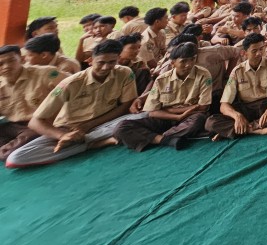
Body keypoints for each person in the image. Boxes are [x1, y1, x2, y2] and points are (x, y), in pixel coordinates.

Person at [6, 40, 138, 168]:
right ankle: (91, 143)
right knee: (16, 158)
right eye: (101, 62)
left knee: (140, 117)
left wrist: (89, 125)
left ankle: (86, 143)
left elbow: (126, 105)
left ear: (118, 59)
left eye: (111, 62)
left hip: (104, 124)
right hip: (70, 129)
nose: (106, 67)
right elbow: (34, 122)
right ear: (90, 60)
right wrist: (63, 136)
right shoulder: (70, 83)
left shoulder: (124, 73)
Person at [113, 42, 212, 151]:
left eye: (192, 59)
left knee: (199, 119)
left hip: (190, 117)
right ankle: (165, 139)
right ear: (173, 63)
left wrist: (169, 109)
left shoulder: (203, 74)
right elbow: (152, 112)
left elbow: (203, 107)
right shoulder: (162, 80)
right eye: (183, 61)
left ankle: (159, 136)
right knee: (121, 127)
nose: (188, 64)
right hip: (165, 118)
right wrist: (177, 116)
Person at [206, 34, 267, 140]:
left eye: (261, 49)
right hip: (247, 108)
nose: (259, 53)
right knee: (210, 122)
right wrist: (237, 116)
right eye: (254, 51)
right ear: (244, 53)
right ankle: (258, 130)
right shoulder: (237, 71)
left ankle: (237, 130)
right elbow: (224, 105)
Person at [0, 45, 66, 161]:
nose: (6, 67)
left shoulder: (46, 73)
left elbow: (73, 88)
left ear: (22, 58)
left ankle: (7, 151)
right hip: (14, 126)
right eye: (0, 64)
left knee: (9, 151)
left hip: (42, 124)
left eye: (11, 60)